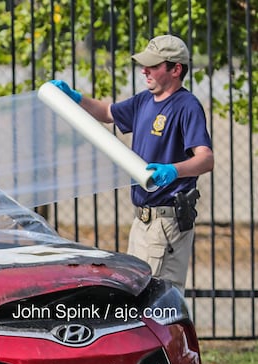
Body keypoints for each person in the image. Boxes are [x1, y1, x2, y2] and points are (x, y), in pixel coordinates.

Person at [50, 34, 214, 290]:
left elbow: (205, 158)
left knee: (155, 301)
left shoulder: (186, 105)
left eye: (154, 66)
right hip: (143, 221)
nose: (144, 71)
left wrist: (173, 170)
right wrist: (75, 98)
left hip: (166, 223)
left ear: (176, 69)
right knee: (139, 299)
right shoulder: (144, 100)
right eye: (145, 64)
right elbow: (107, 113)